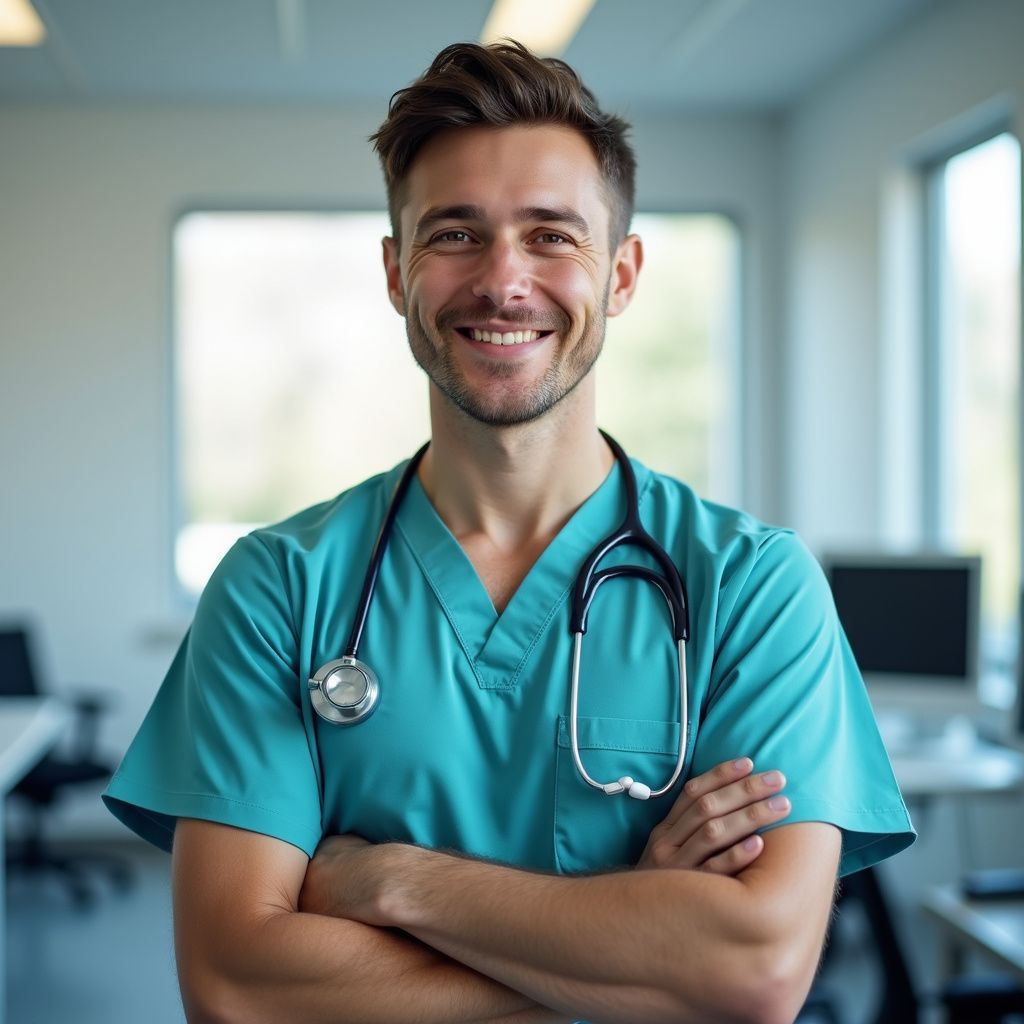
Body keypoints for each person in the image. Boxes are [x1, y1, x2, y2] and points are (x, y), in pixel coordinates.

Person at [104, 40, 914, 1024]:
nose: (503, 280)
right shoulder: (279, 586)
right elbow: (237, 985)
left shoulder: (750, 586)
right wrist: (632, 937)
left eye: (551, 236)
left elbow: (750, 974)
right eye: (455, 234)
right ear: (397, 272)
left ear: (620, 274)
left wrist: (391, 882)